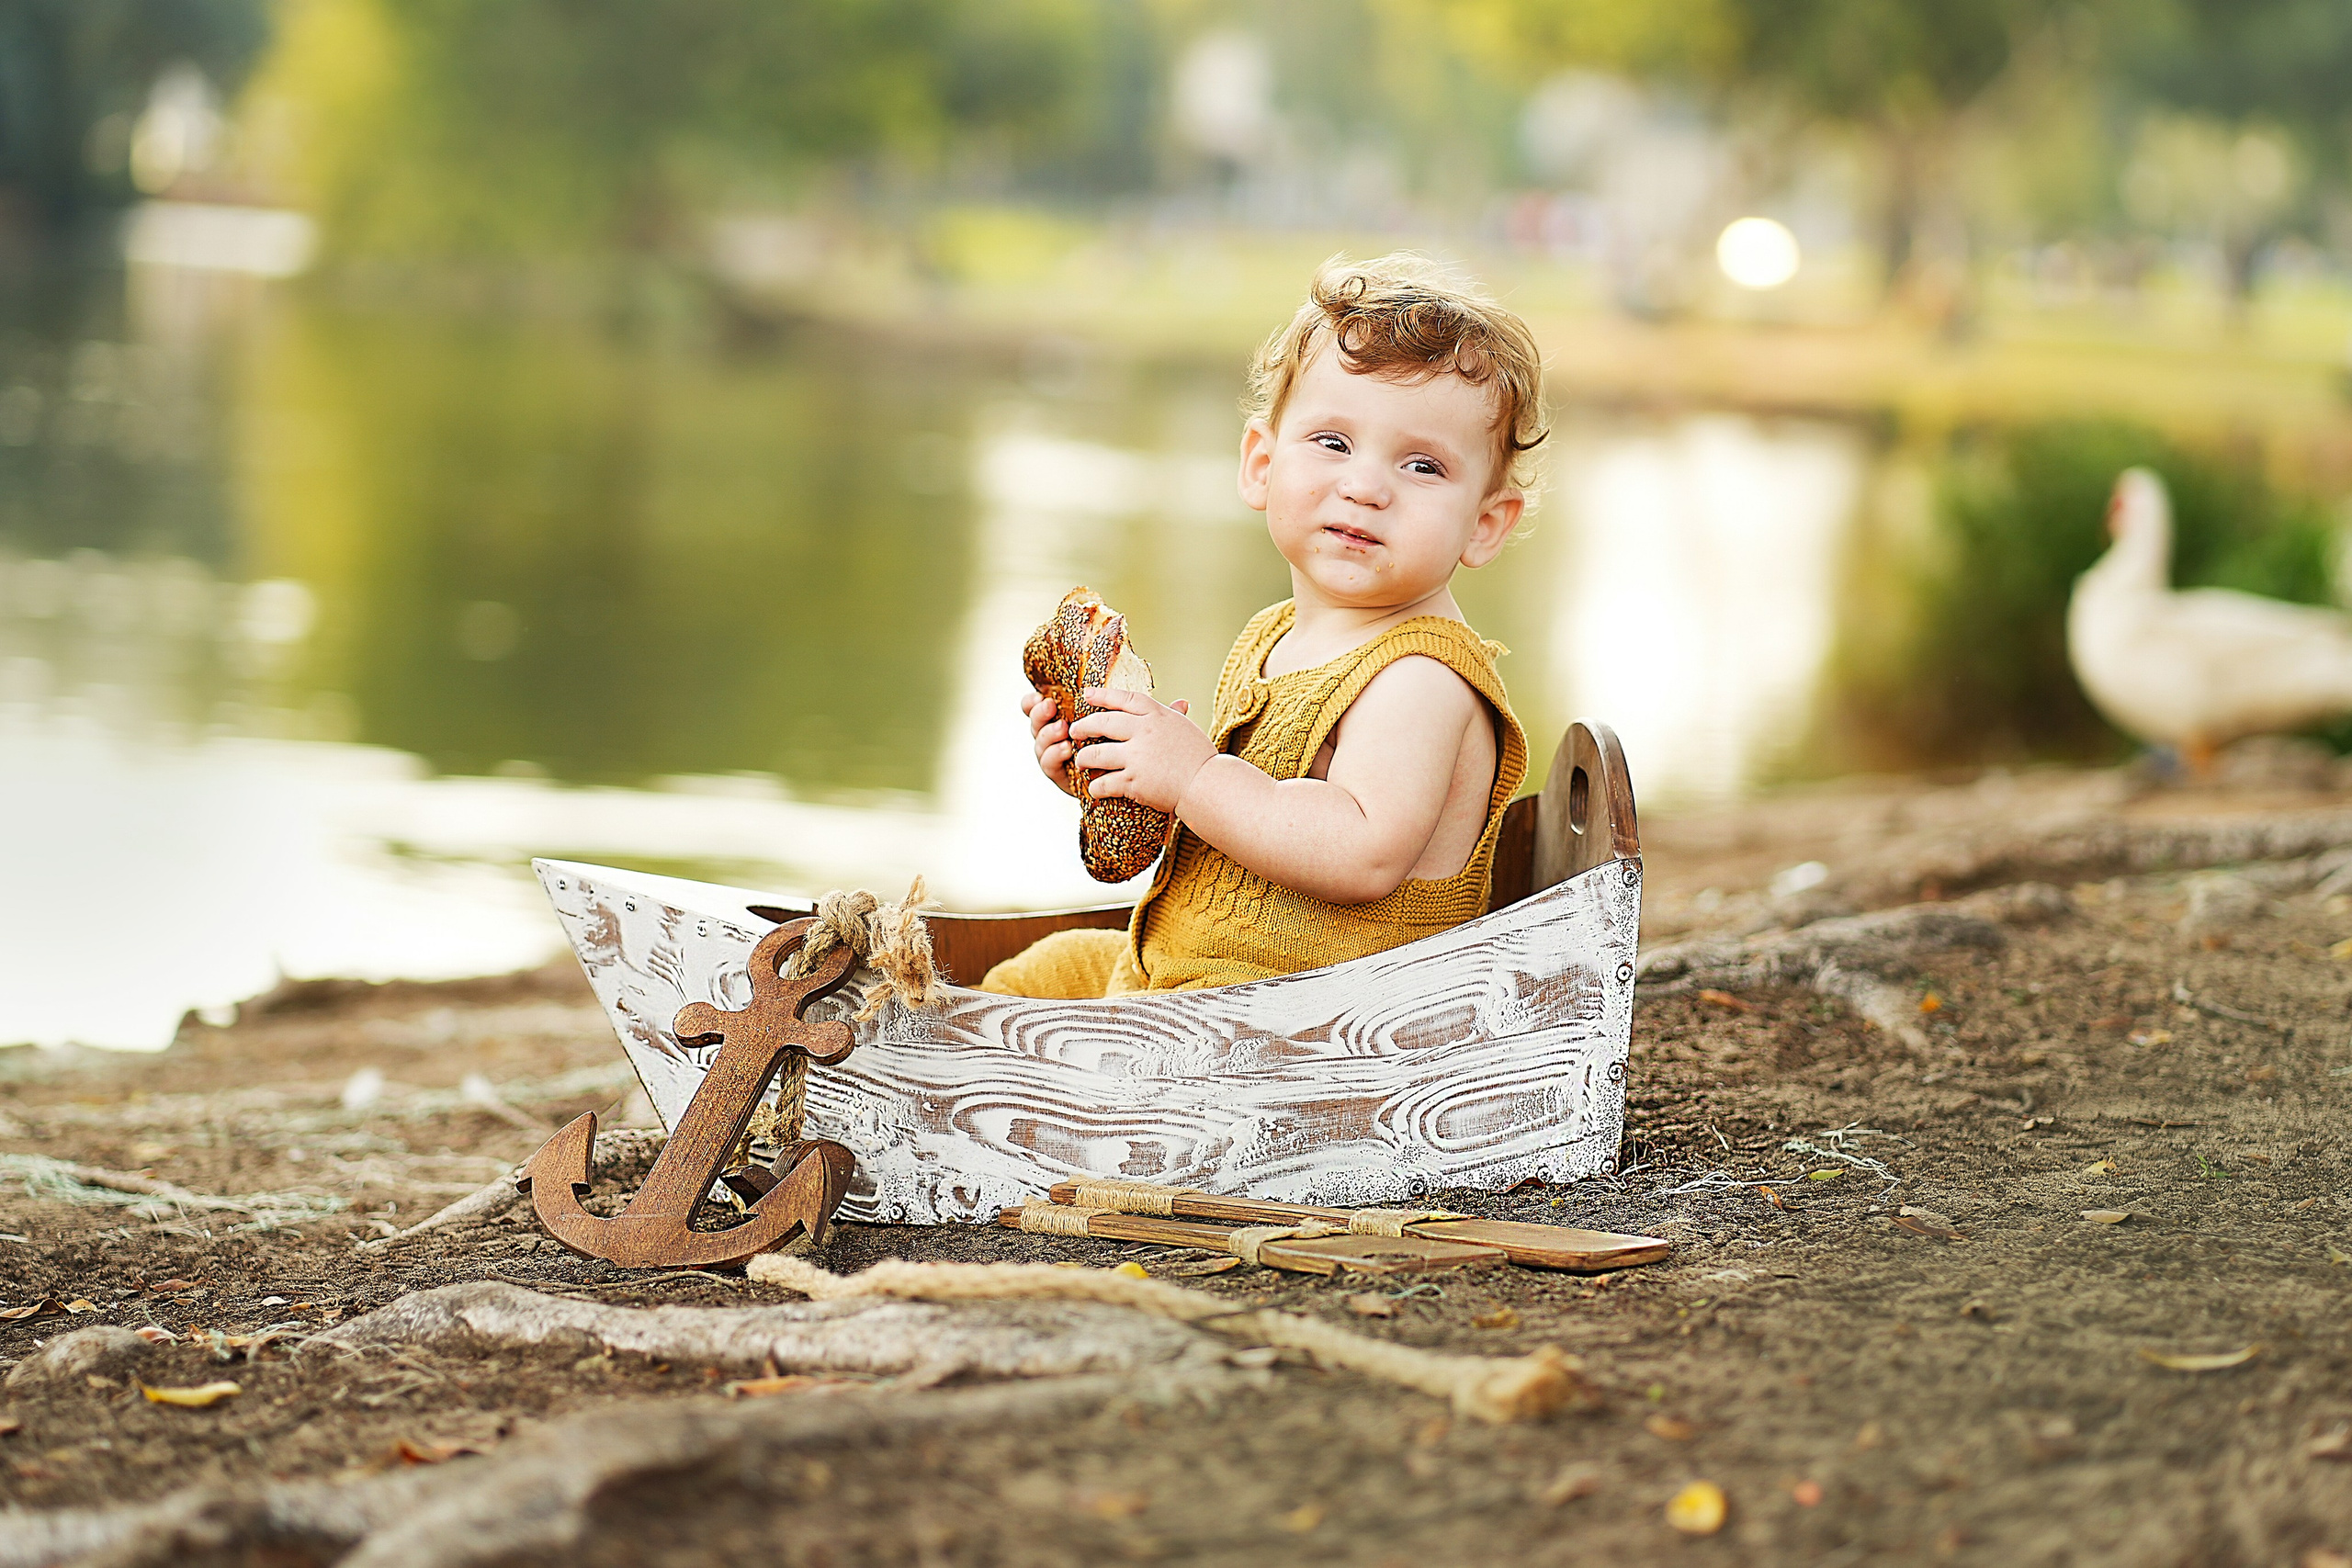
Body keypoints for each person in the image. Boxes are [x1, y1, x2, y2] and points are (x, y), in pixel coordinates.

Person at [982, 253, 1544, 998]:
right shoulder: (1274, 638)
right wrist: (1122, 776)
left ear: (1485, 523)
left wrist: (1193, 774)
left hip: (1319, 1019)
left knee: (1036, 1028)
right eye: (1334, 443)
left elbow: (1360, 850)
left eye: (1422, 467)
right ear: (1260, 464)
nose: (1366, 486)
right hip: (1210, 981)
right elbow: (1242, 839)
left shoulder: (1422, 678)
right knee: (1037, 974)